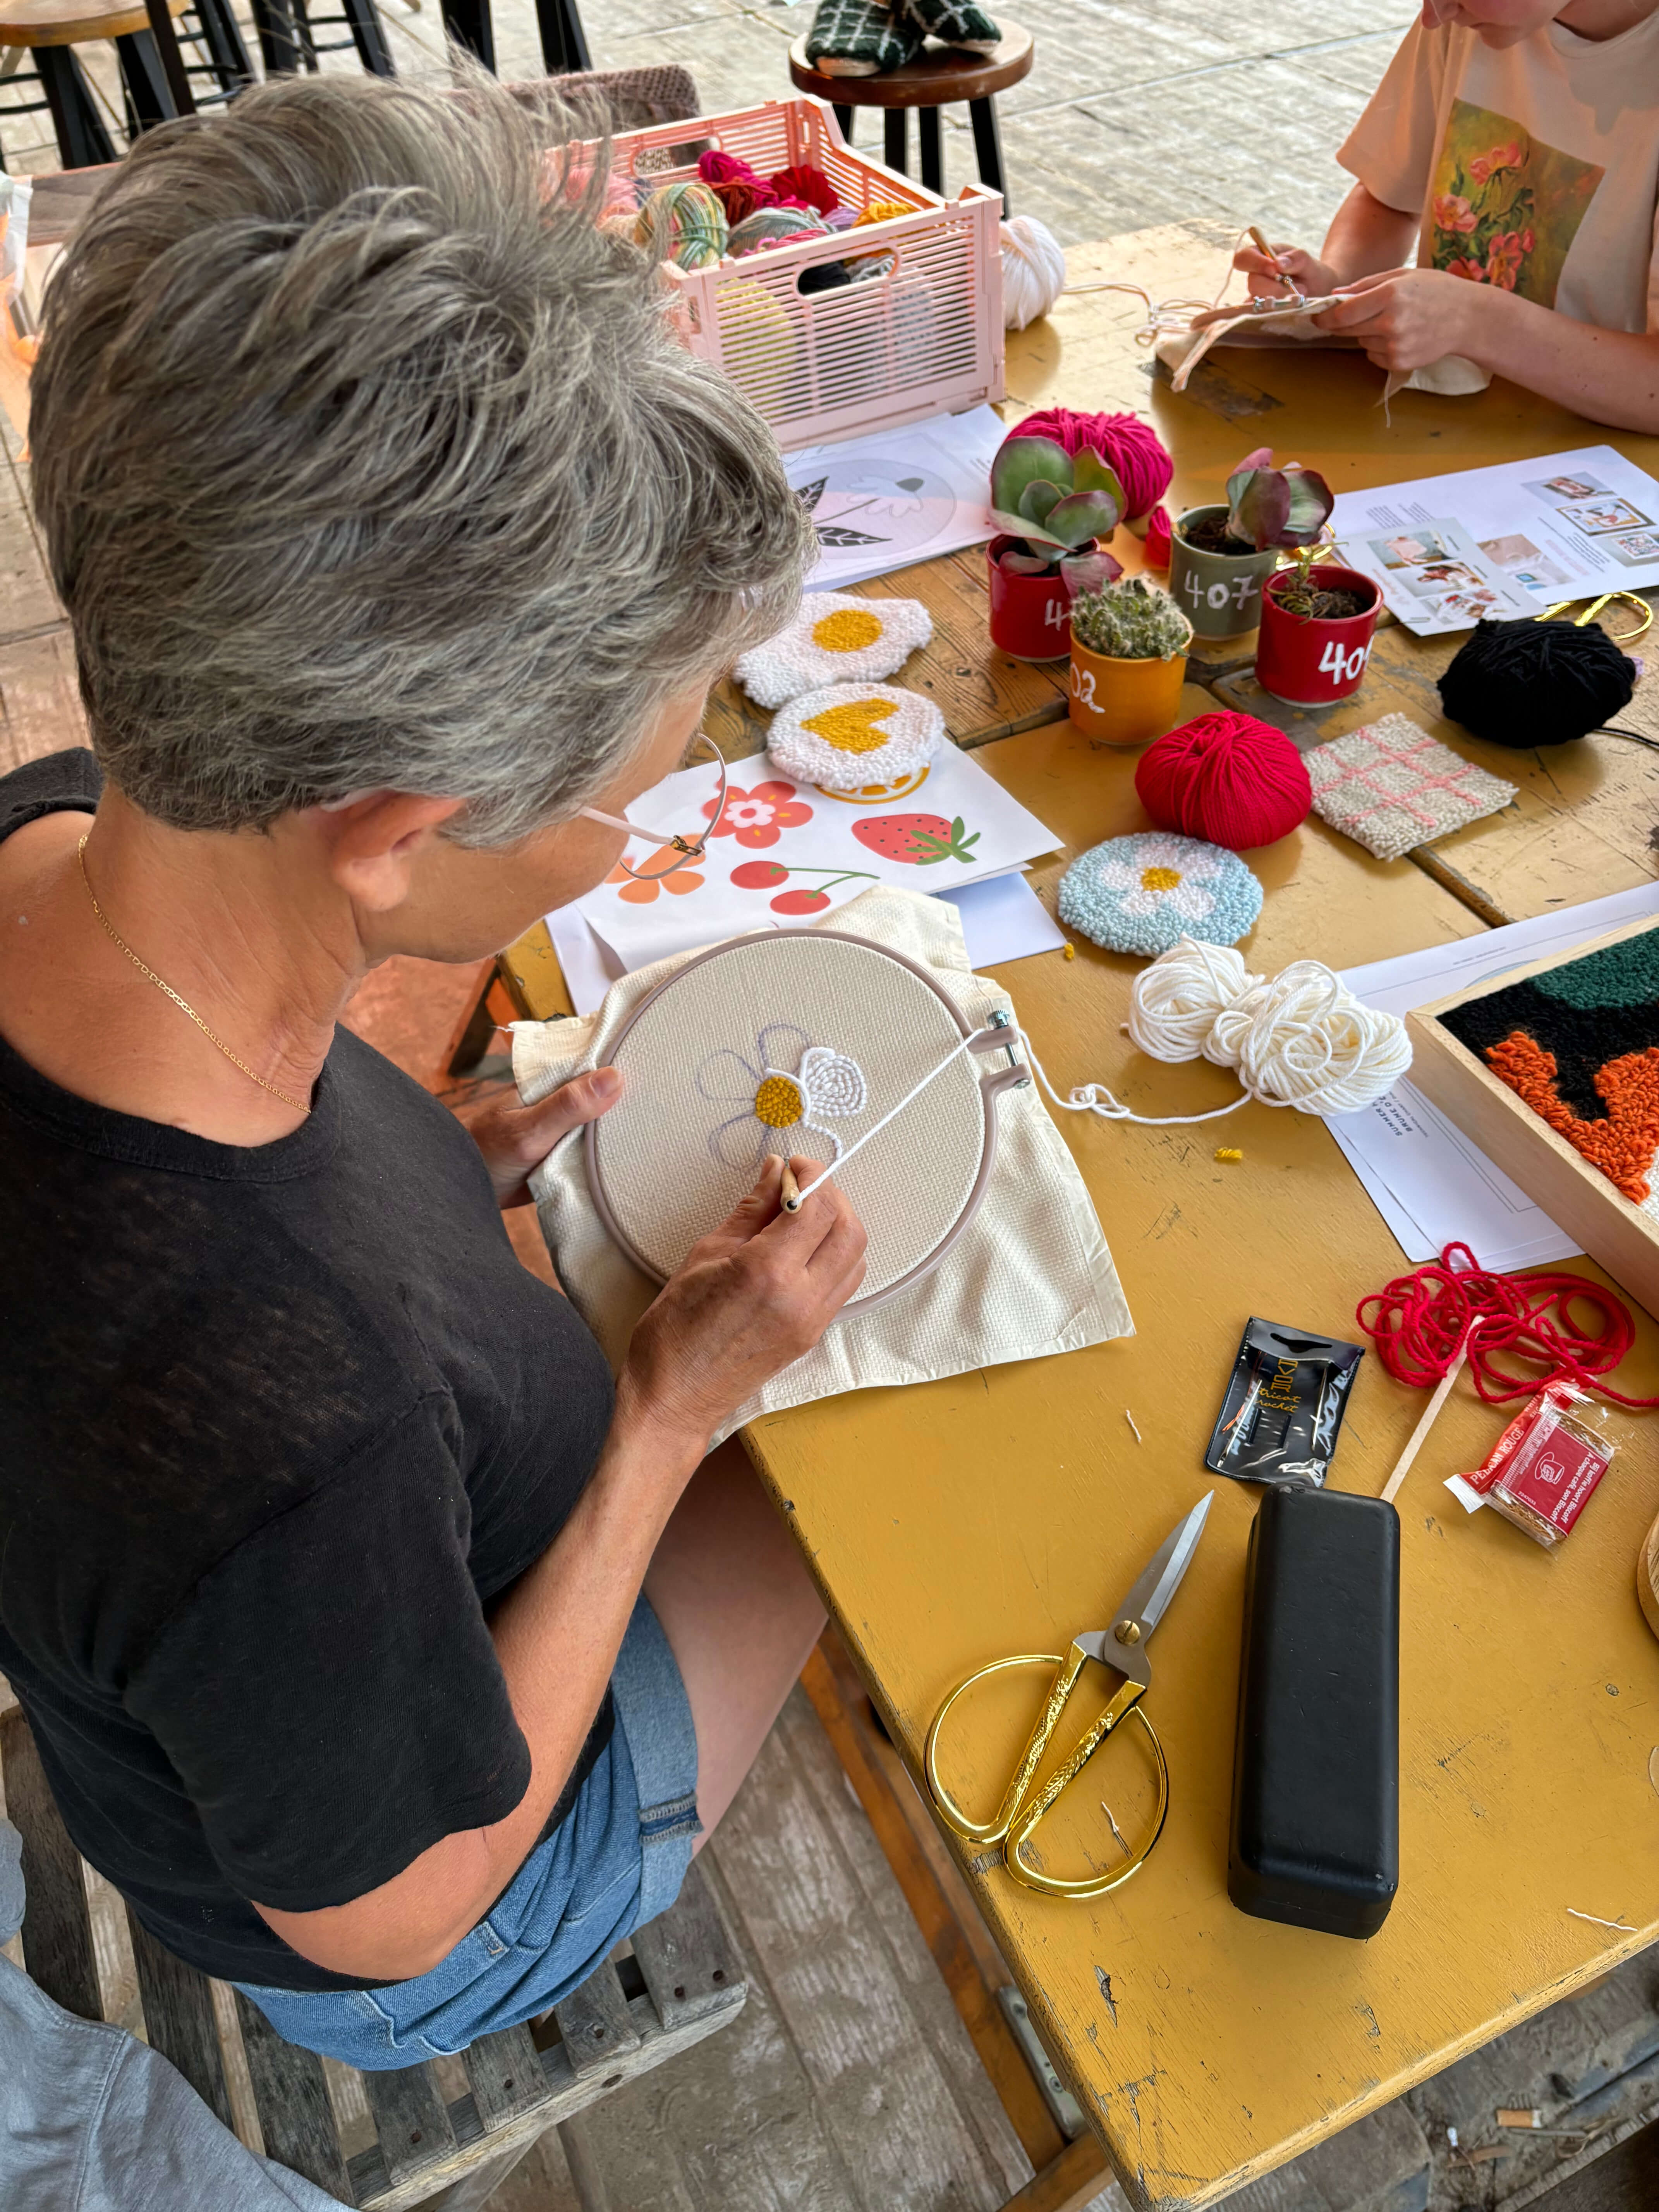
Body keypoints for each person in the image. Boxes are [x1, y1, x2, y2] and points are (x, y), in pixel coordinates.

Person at [0, 72, 866, 2069]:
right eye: (624, 804)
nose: (625, 844)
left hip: (254, 1652)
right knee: (855, 1484)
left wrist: (413, 1155)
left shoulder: (59, 823)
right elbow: (396, 1903)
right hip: (418, 1923)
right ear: (396, 830)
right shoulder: (285, 1420)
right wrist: (663, 1421)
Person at [1234, 0, 1659, 431]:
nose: (1432, 15)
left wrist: (1476, 323)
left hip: (1598, 450)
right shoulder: (1468, 17)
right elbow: (1390, 199)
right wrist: (1336, 287)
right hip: (1445, 424)